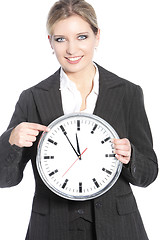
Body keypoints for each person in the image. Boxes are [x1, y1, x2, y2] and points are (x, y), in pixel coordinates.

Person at [0, 0, 158, 239]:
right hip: (51, 228)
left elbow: (149, 174)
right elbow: (6, 180)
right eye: (61, 39)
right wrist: (11, 141)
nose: (72, 49)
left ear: (97, 36)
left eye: (82, 37)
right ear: (50, 43)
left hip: (118, 229)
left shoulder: (128, 93)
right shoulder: (32, 98)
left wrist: (131, 156)